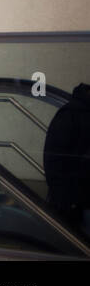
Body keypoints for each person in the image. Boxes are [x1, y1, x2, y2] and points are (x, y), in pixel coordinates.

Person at [44, 82, 90, 235]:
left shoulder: (73, 113)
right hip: (76, 202)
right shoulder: (71, 114)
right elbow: (54, 161)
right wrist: (66, 201)